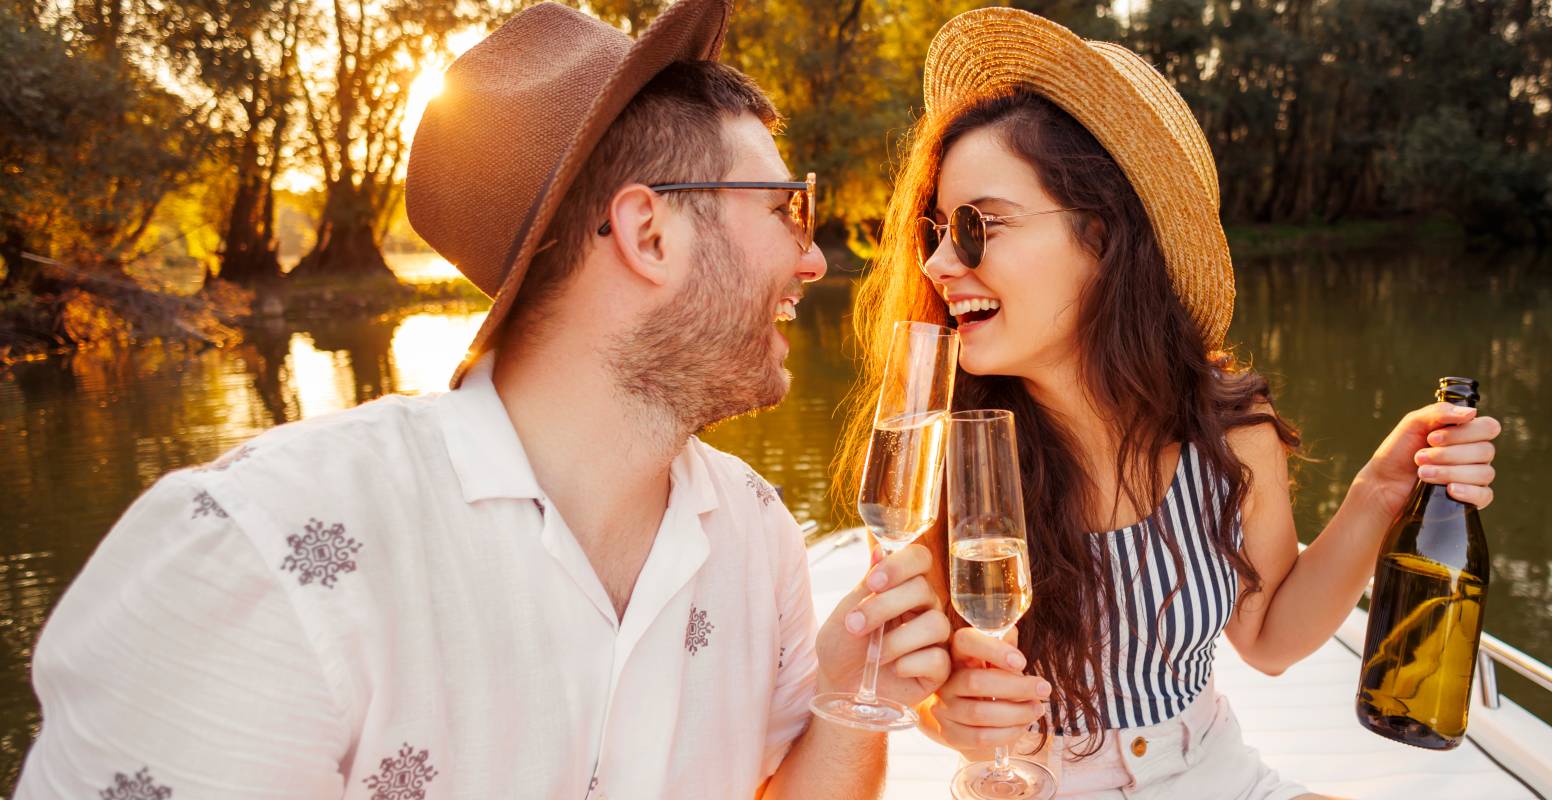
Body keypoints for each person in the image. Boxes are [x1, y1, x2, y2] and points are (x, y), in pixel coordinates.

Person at [17, 2, 951, 797]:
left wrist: (846, 697)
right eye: (785, 209)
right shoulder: (256, 553)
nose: (812, 257)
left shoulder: (757, 536)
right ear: (650, 235)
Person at [835, 8, 1503, 798]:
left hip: (1217, 773)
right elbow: (928, 688)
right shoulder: (934, 456)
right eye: (937, 231)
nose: (940, 262)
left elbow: (1269, 640)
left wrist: (1380, 492)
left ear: (1103, 236)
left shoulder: (1229, 429)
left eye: (978, 226)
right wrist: (952, 715)